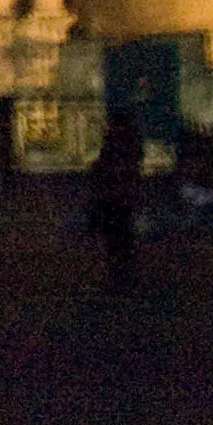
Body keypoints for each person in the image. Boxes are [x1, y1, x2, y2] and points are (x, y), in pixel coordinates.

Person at [87, 107, 145, 290]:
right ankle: (121, 275)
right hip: (120, 196)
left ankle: (119, 276)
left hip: (114, 196)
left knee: (117, 238)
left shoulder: (118, 143)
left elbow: (110, 167)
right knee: (120, 238)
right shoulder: (128, 143)